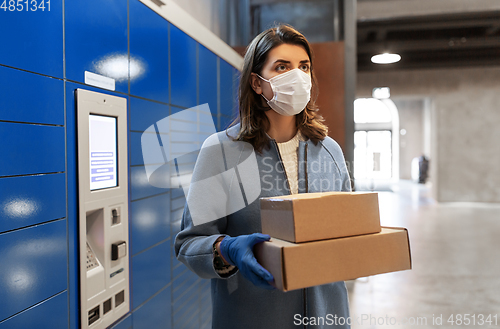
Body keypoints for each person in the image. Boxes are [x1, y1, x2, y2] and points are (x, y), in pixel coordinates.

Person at [174, 24, 352, 329]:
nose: (297, 76)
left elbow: (350, 228)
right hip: (252, 317)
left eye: (304, 66)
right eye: (282, 67)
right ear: (257, 83)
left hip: (327, 316)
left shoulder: (330, 150)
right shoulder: (221, 151)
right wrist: (226, 249)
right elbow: (189, 243)